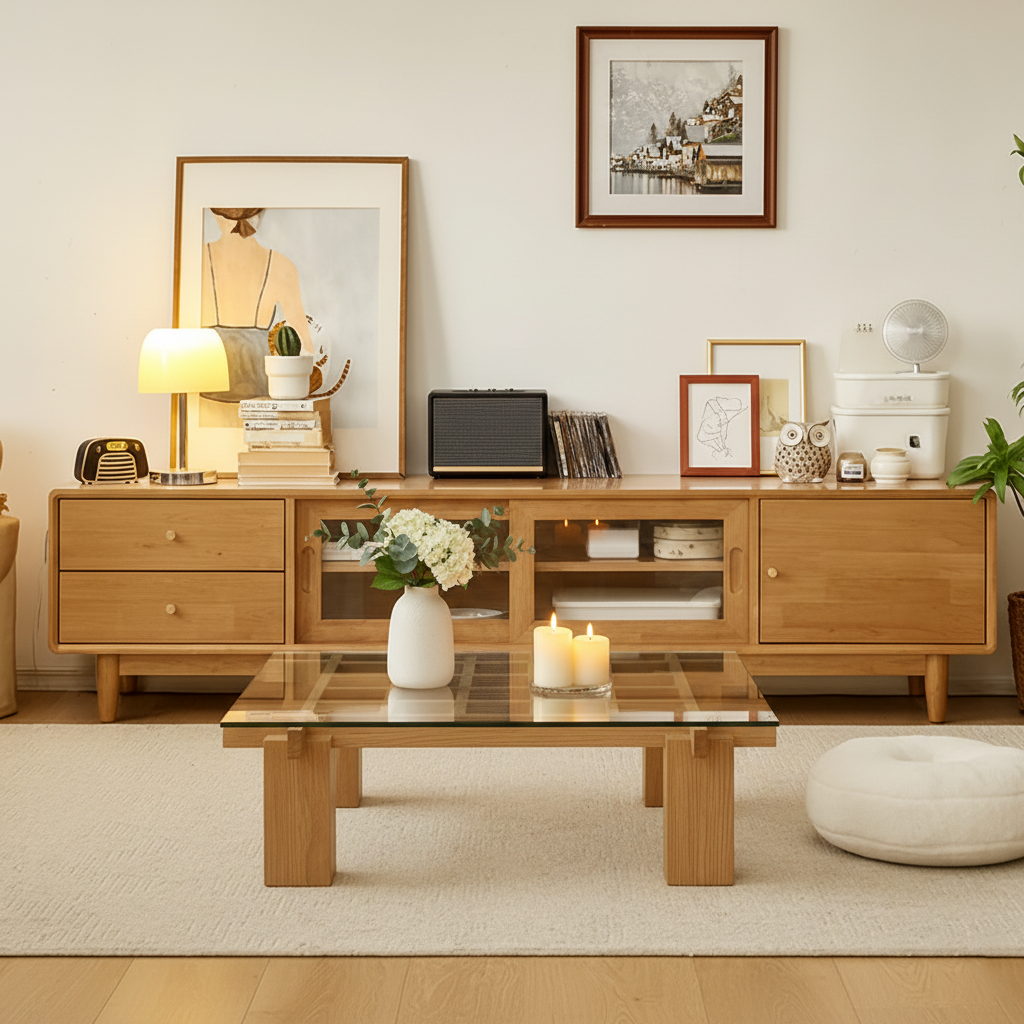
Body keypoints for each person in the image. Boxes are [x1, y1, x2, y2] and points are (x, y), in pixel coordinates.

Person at [200, 208, 313, 401]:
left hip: (208, 384)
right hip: (260, 391)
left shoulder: (197, 258)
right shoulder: (281, 265)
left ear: (215, 215)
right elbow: (304, 342)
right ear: (259, 216)